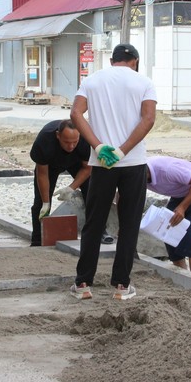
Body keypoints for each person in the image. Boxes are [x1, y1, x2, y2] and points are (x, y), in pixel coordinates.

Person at [69, 43, 156, 300]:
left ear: (111, 60)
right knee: (129, 224)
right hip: (133, 163)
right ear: (135, 61)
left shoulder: (93, 80)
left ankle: (83, 284)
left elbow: (75, 113)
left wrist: (98, 146)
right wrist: (123, 150)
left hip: (102, 164)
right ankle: (121, 286)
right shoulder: (144, 82)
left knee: (94, 223)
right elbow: (148, 119)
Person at [146, 156, 191, 274]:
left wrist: (182, 207)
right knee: (167, 229)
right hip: (180, 192)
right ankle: (182, 273)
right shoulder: (137, 176)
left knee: (190, 234)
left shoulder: (167, 170)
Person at [29, 119, 93, 246]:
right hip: (51, 164)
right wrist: (46, 202)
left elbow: (88, 168)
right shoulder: (44, 141)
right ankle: (37, 239)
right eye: (67, 142)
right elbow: (42, 174)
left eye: (75, 142)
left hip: (77, 162)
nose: (71, 146)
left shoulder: (86, 139)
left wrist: (71, 188)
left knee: (92, 192)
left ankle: (99, 231)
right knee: (40, 202)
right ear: (58, 135)